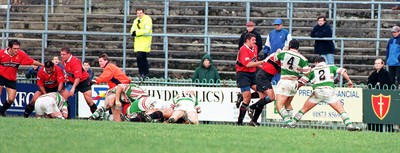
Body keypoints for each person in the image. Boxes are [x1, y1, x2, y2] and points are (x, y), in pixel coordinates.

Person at [292, 56, 360, 131]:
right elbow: (342, 71)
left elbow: (301, 82)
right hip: (329, 92)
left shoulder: (312, 70)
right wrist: (349, 81)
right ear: (324, 62)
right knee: (341, 110)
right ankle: (349, 125)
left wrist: (296, 88)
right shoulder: (331, 67)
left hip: (317, 92)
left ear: (316, 62)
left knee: (304, 109)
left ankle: (292, 123)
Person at [0, 40, 43, 117]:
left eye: (18, 48)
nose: (16, 50)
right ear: (9, 48)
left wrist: (43, 65)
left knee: (11, 99)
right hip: (1, 76)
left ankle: (2, 110)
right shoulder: (1, 54)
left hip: (11, 78)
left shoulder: (21, 54)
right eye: (14, 48)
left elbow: (32, 61)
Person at [273, 39, 310, 127]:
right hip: (294, 83)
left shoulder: (283, 53)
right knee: (288, 104)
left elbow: (275, 58)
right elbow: (308, 74)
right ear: (298, 48)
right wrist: (300, 83)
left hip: (285, 81)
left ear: (289, 46)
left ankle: (290, 124)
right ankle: (288, 124)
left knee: (279, 106)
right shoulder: (303, 59)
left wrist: (278, 51)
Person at [235, 33, 265, 125]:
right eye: (253, 40)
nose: (255, 42)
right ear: (247, 40)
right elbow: (248, 64)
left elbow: (254, 61)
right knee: (247, 99)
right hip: (243, 74)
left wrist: (263, 66)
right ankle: (239, 122)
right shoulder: (243, 49)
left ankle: (254, 120)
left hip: (252, 73)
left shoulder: (255, 47)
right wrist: (262, 62)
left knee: (263, 95)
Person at [247, 52, 281, 127]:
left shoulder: (279, 59)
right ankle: (251, 107)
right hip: (263, 76)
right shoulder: (278, 55)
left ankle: (254, 121)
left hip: (265, 76)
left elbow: (279, 70)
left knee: (262, 99)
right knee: (272, 97)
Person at [60, 47, 97, 113]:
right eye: (61, 54)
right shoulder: (64, 61)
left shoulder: (75, 62)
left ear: (69, 54)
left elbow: (78, 77)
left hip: (83, 81)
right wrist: (66, 76)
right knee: (63, 97)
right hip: (72, 81)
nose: (62, 56)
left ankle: (97, 115)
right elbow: (68, 72)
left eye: (64, 54)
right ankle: (66, 116)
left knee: (89, 101)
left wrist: (73, 88)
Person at [263, 18, 292, 84]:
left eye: (278, 24)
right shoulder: (271, 33)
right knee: (272, 70)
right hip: (272, 55)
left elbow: (289, 43)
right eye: (276, 25)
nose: (277, 26)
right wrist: (265, 53)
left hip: (282, 55)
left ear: (282, 25)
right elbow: (267, 44)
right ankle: (272, 82)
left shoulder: (286, 33)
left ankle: (280, 82)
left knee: (280, 70)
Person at [130, 8, 153, 79]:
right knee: (140, 58)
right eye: (138, 13)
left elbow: (147, 30)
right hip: (138, 42)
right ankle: (142, 73)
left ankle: (144, 73)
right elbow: (132, 31)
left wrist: (137, 32)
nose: (139, 15)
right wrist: (136, 32)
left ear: (143, 13)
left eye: (140, 13)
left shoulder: (147, 19)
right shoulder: (135, 20)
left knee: (141, 57)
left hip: (145, 41)